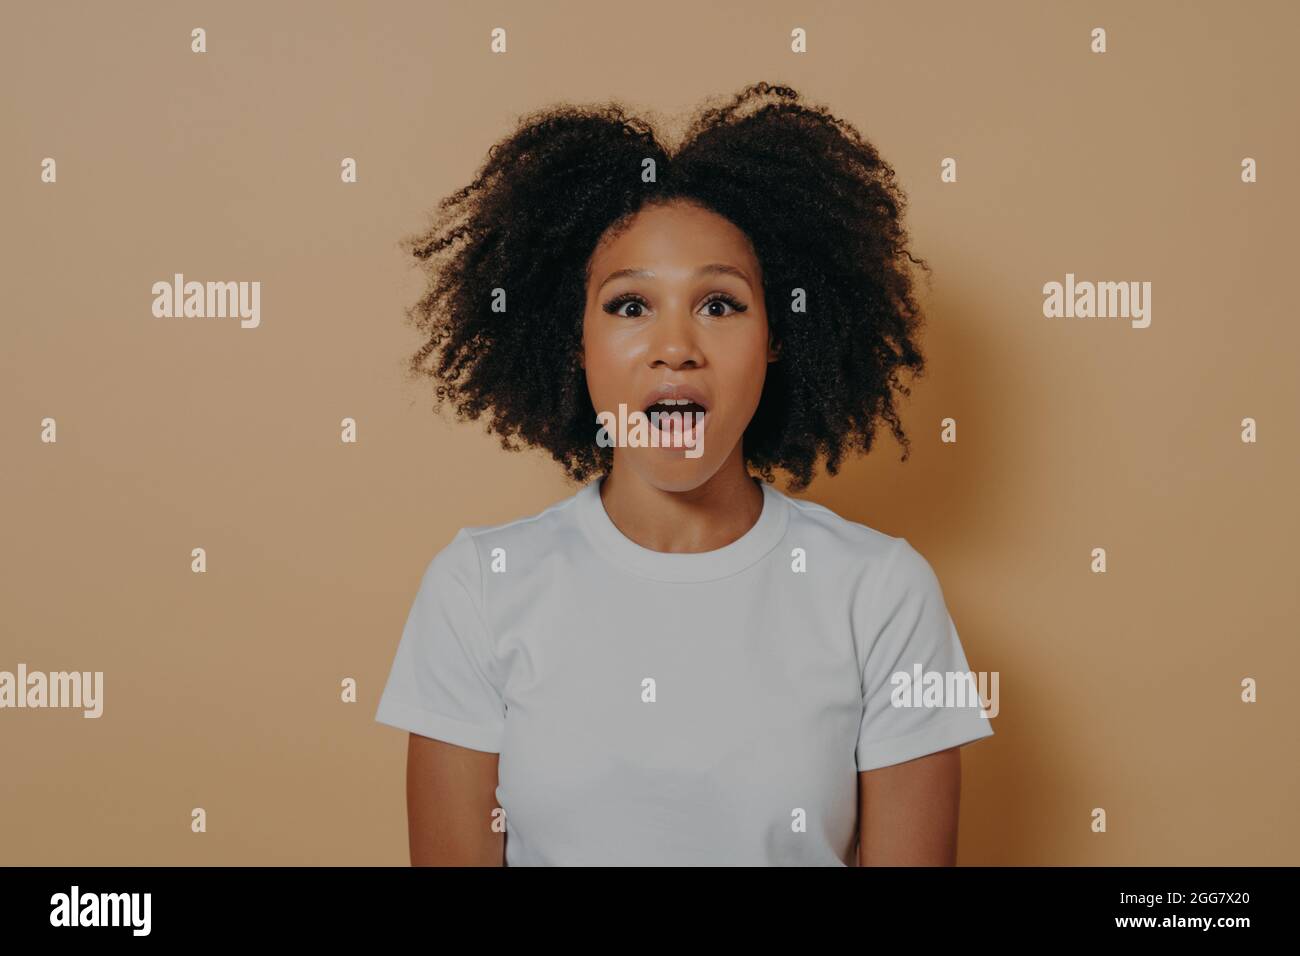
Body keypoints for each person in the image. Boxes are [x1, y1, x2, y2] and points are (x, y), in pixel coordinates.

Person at [376, 81, 994, 866]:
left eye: (721, 304)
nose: (676, 346)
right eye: (630, 306)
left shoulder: (881, 593)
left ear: (777, 336)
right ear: (575, 341)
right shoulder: (478, 587)